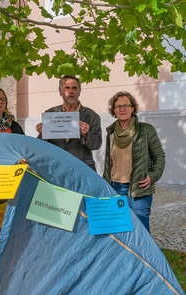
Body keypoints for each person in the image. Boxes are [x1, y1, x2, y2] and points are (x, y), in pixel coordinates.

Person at [103, 91, 165, 233]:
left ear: (133, 108)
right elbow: (109, 163)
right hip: (115, 188)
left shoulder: (146, 130)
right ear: (113, 110)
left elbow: (159, 156)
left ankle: (145, 256)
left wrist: (153, 176)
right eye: (118, 106)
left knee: (140, 231)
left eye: (126, 105)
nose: (122, 109)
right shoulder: (111, 133)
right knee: (119, 232)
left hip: (139, 189)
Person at [36, 75, 102, 171]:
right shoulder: (50, 114)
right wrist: (43, 135)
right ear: (60, 91)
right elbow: (40, 146)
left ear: (79, 92)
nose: (71, 91)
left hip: (83, 170)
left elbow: (97, 144)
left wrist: (86, 135)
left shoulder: (91, 115)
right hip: (56, 169)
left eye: (74, 88)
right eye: (67, 88)